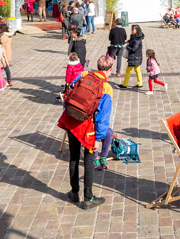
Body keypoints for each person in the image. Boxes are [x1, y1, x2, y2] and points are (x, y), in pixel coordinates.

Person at [58, 58, 112, 209]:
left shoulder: (83, 74)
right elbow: (103, 116)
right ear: (110, 69)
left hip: (72, 120)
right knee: (88, 162)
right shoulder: (106, 87)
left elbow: (68, 93)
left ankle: (74, 192)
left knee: (74, 157)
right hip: (87, 127)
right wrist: (99, 138)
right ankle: (88, 198)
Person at [122, 25, 144, 90]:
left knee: (128, 70)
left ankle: (124, 85)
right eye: (132, 29)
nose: (132, 30)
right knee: (137, 70)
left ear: (137, 30)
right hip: (136, 57)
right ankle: (140, 84)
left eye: (133, 29)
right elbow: (132, 41)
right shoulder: (134, 37)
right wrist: (128, 41)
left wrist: (127, 46)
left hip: (134, 57)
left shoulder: (137, 39)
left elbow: (134, 49)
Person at [0, 22, 14, 87]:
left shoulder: (3, 36)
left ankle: (9, 80)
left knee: (3, 67)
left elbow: (1, 45)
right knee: (2, 67)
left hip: (4, 54)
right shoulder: (8, 35)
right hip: (7, 52)